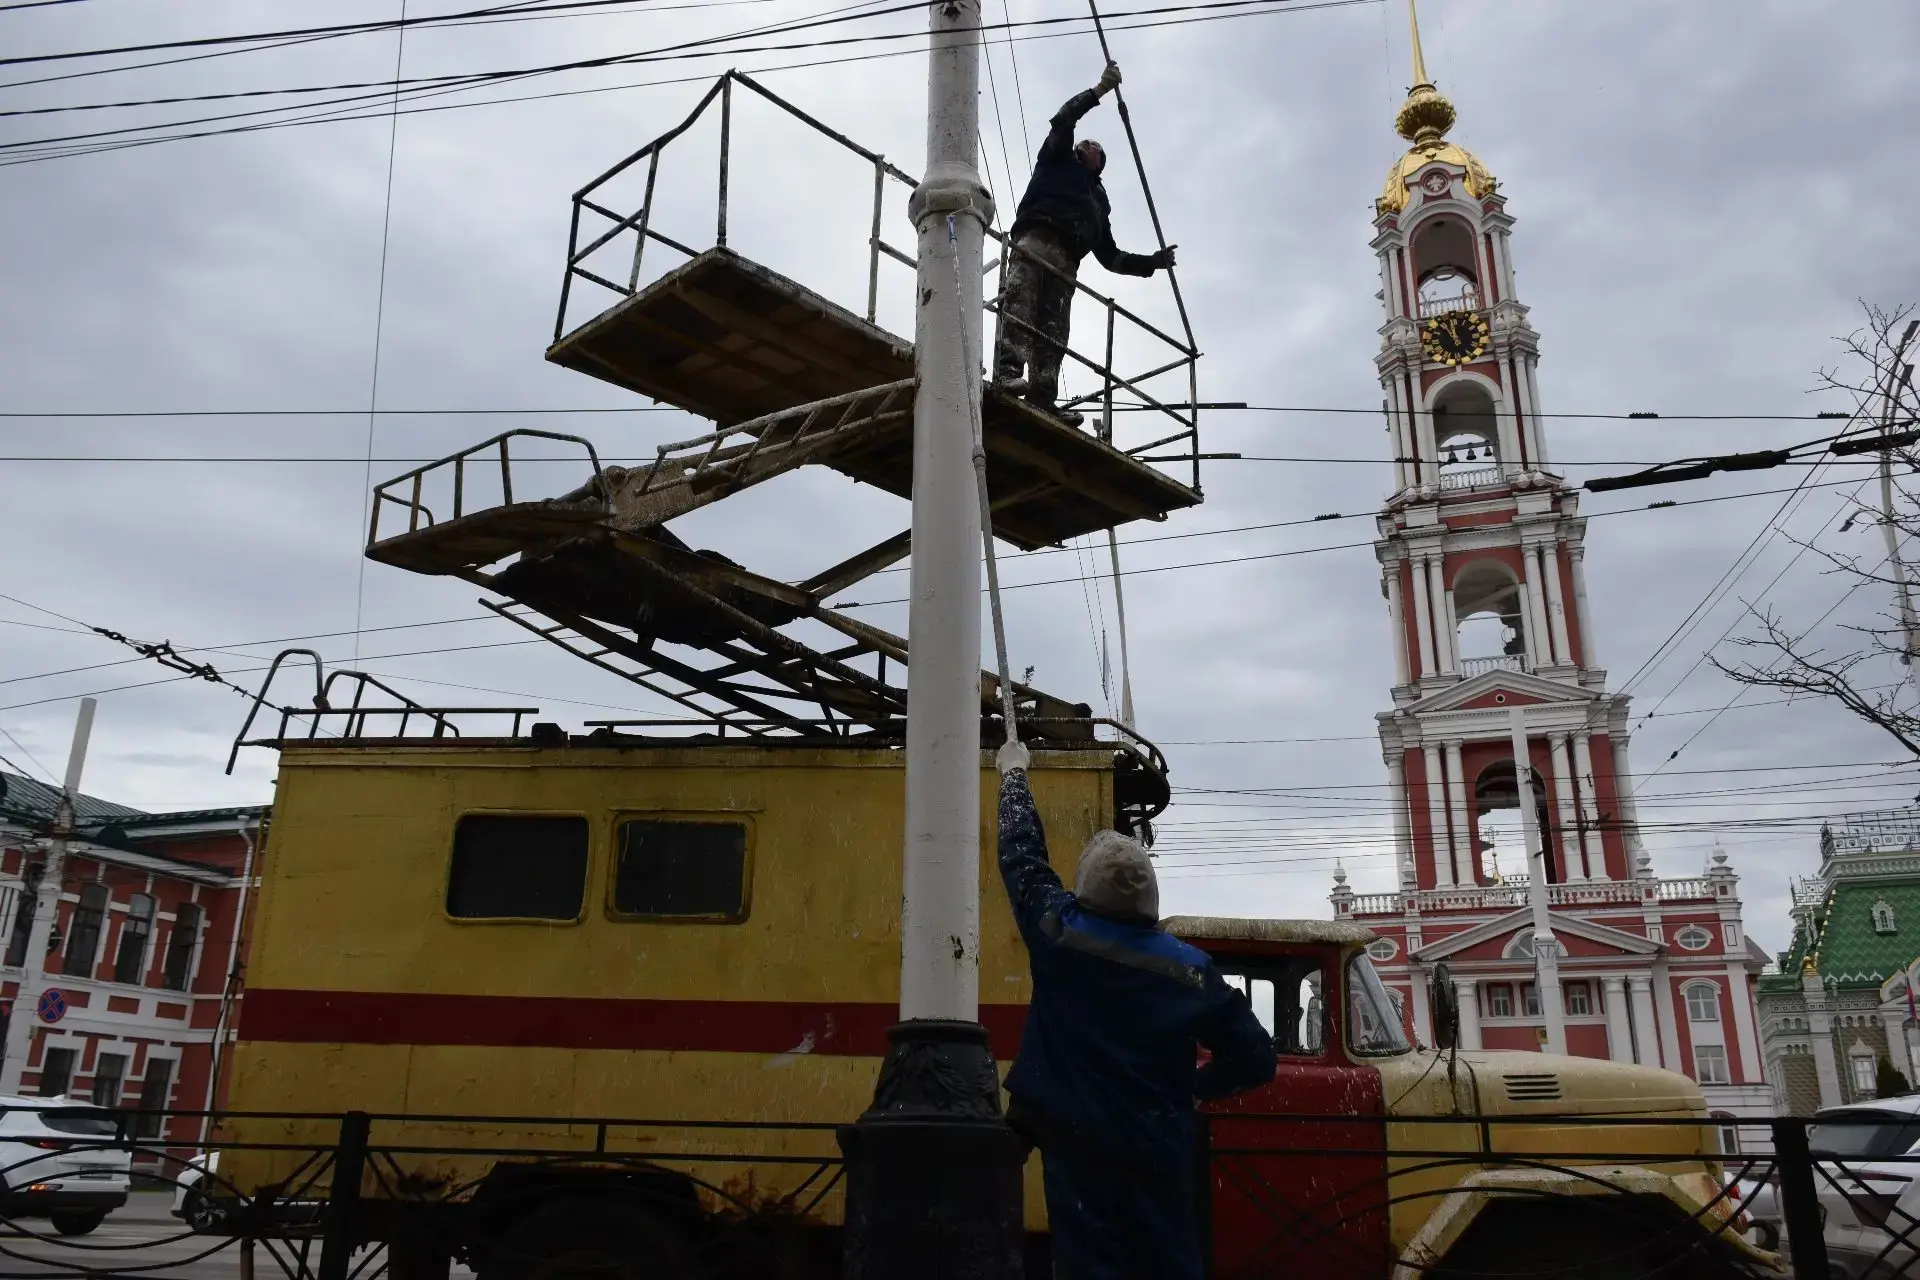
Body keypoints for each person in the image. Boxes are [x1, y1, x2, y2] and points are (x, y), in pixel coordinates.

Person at [993, 738, 1276, 1280]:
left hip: (1078, 1155)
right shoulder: (1190, 971)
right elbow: (1257, 1059)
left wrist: (1013, 777)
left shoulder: (1059, 934)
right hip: (1159, 1149)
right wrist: (1197, 1087)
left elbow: (1022, 858)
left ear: (1086, 889)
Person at [992, 62, 1177, 426]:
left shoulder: (1097, 204)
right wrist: (1099, 90)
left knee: (1054, 329)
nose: (1085, 143)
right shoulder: (1058, 158)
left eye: (1092, 145)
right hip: (1036, 239)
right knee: (1020, 304)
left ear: (1099, 162)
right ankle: (1007, 373)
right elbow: (1063, 120)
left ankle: (1044, 397)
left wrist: (1150, 263)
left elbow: (1110, 256)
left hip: (1066, 263)